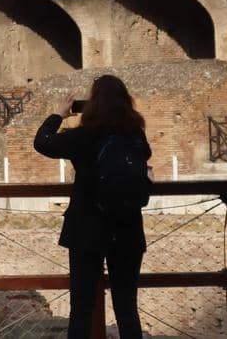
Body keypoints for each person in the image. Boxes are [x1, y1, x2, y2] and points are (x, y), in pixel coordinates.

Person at [33, 75, 152, 339]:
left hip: (87, 230)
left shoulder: (83, 136)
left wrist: (58, 114)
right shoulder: (135, 135)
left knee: (82, 309)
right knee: (127, 308)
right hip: (127, 229)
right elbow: (145, 157)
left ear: (93, 104)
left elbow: (42, 142)